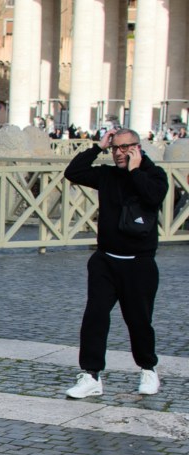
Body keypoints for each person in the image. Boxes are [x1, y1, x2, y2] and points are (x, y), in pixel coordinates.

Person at [63, 127, 169, 398]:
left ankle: (148, 369)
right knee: (95, 316)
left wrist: (135, 171)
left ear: (137, 147)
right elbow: (73, 172)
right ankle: (91, 375)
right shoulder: (107, 175)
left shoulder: (155, 175)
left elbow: (153, 197)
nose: (119, 153)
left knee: (139, 320)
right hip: (105, 261)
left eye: (125, 147)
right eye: (114, 148)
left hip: (139, 263)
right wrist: (97, 147)